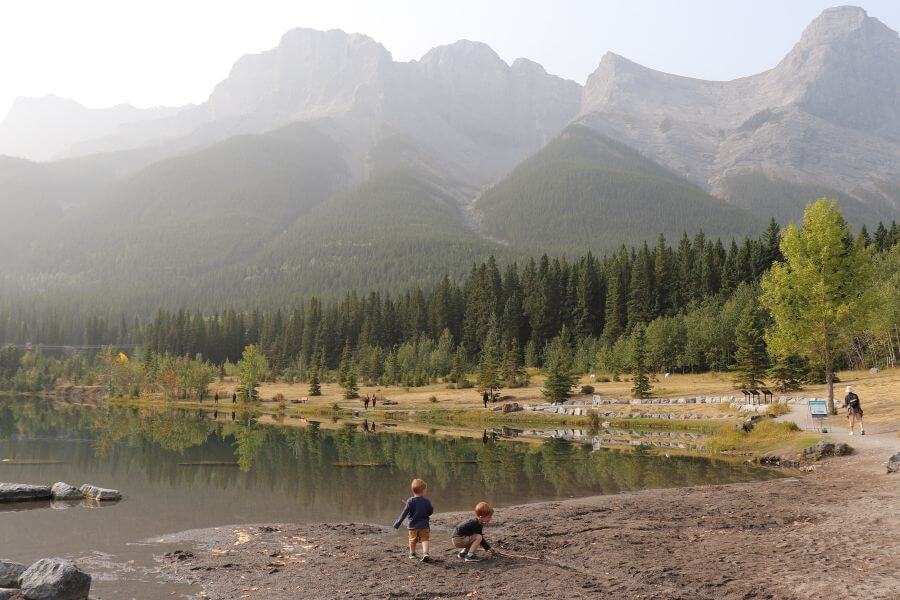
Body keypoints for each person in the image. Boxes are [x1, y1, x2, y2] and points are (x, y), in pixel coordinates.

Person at [393, 478, 433, 562]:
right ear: (423, 491)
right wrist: (426, 513)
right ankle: (425, 553)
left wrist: (397, 523)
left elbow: (404, 513)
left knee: (412, 540)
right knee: (425, 540)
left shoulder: (410, 501)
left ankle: (412, 554)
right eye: (425, 490)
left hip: (413, 526)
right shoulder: (426, 501)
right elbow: (430, 511)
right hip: (424, 526)